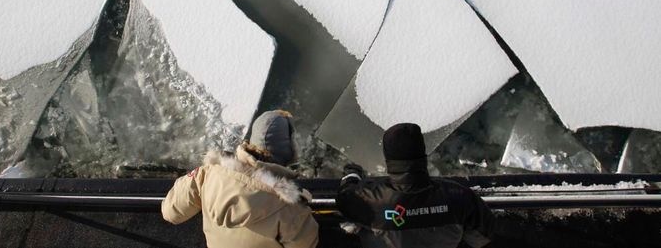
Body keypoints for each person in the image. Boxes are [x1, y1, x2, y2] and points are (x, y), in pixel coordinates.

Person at [162, 110, 319, 248]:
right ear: (289, 152)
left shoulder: (207, 175)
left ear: (250, 143)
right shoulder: (290, 209)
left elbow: (171, 212)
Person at [337, 123, 494, 248]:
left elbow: (344, 196)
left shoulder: (369, 199)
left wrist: (351, 175)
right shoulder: (458, 196)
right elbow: (483, 237)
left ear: (388, 158)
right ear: (423, 153)